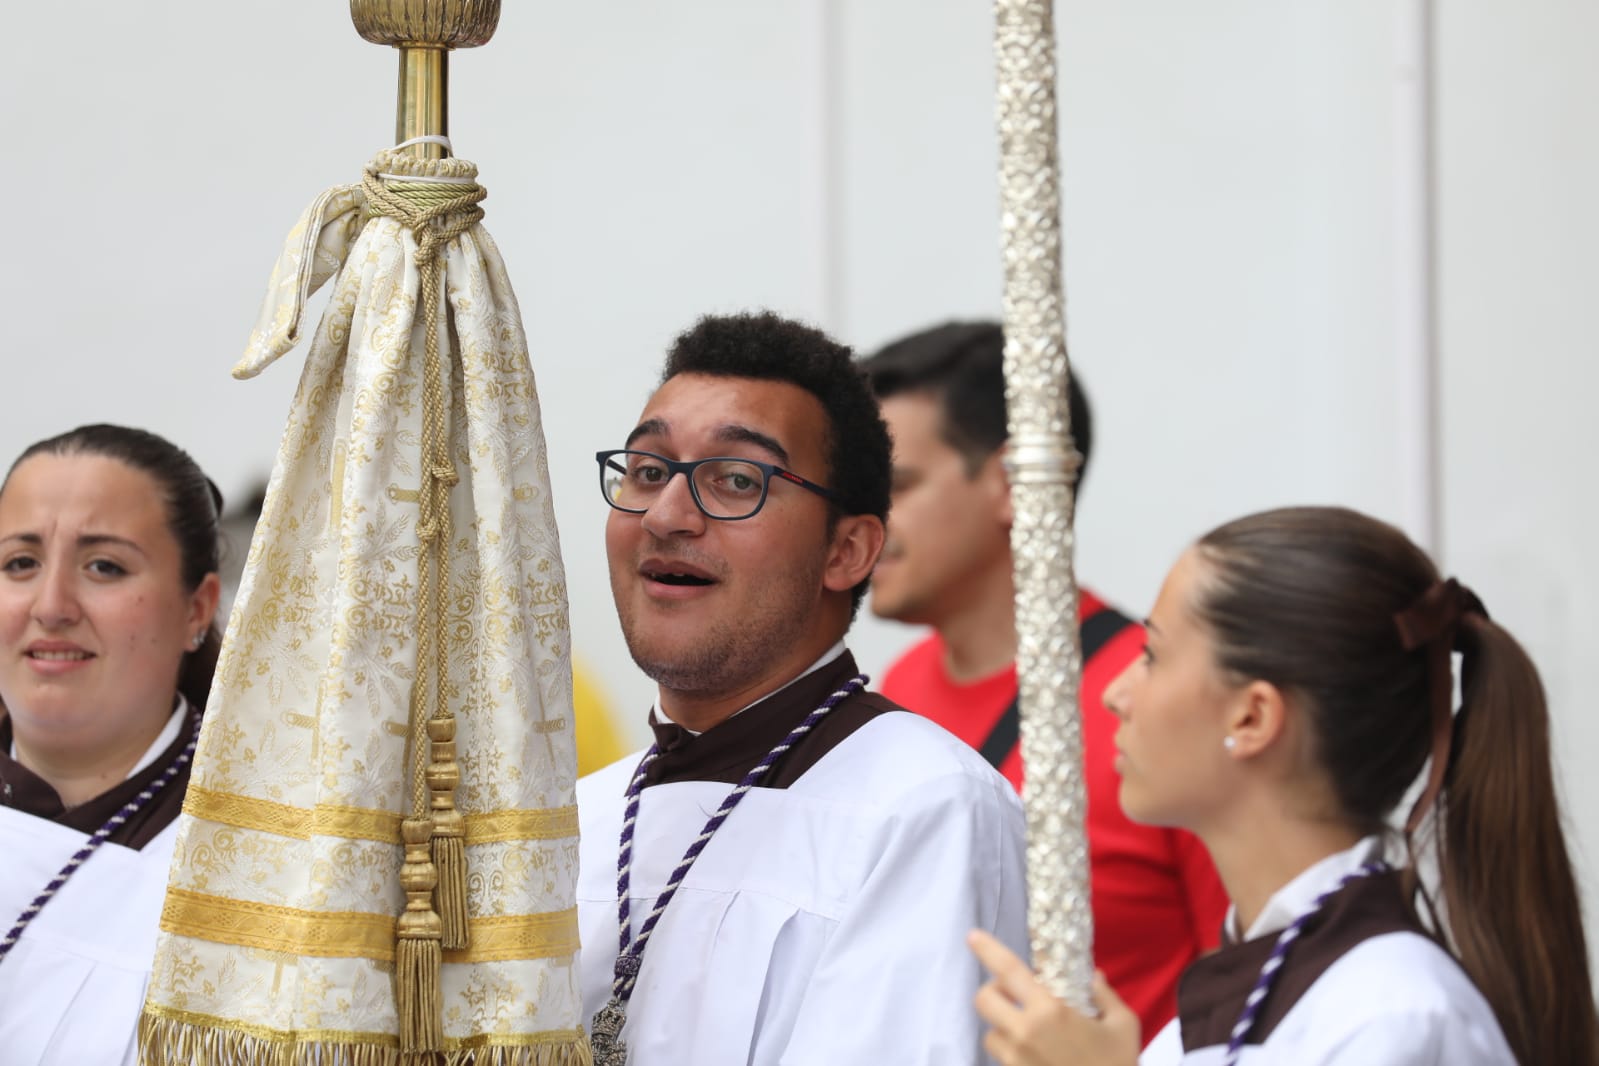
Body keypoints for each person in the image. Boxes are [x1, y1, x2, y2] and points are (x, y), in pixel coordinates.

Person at [969, 505, 1599, 1065]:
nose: (1114, 694)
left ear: (1253, 717)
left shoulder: (1396, 1015)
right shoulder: (1209, 1017)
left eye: (1153, 657)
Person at [576, 311, 1029, 1064]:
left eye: (736, 480)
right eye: (648, 471)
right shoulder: (579, 821)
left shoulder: (922, 808)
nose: (665, 515)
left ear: (846, 550)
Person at [862, 321, 1226, 1038]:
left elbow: (1257, 987)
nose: (861, 519)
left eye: (895, 485)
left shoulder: (1162, 699)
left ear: (1009, 482)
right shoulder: (892, 697)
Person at [0, 424, 223, 1065]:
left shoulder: (259, 867)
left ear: (195, 610)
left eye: (104, 566)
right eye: (20, 562)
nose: (51, 606)